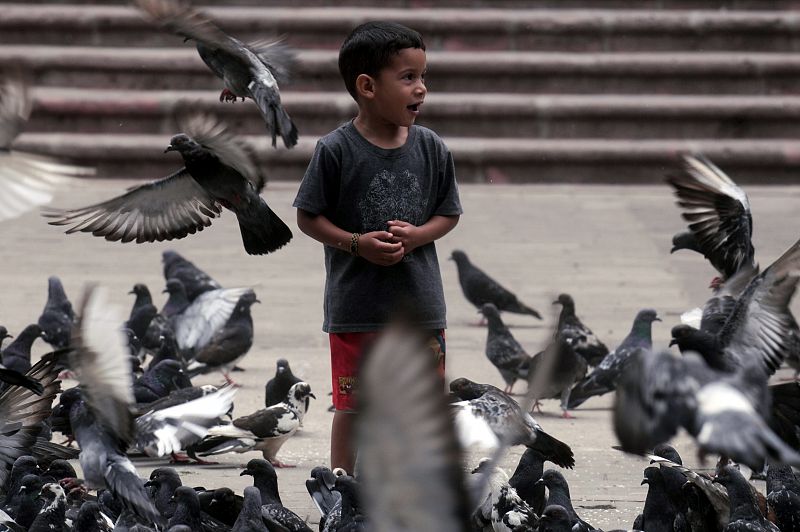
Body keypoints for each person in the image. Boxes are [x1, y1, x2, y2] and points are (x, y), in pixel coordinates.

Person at [292, 20, 462, 474]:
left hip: (420, 306)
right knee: (353, 407)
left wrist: (419, 236)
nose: (421, 89)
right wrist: (354, 243)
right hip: (357, 307)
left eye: (424, 77)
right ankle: (339, 490)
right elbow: (307, 217)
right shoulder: (335, 150)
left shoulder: (432, 148)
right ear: (367, 86)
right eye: (408, 78)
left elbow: (449, 214)